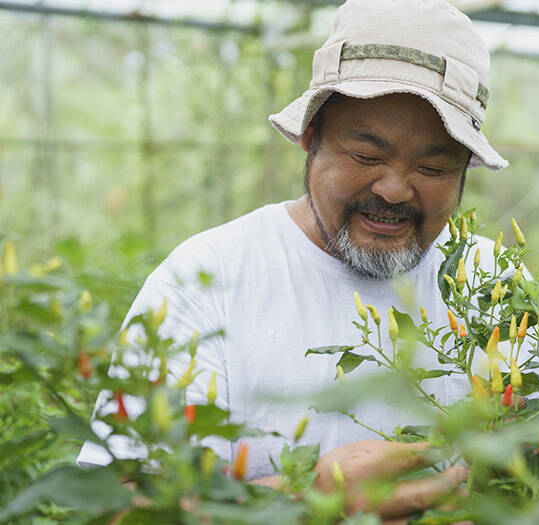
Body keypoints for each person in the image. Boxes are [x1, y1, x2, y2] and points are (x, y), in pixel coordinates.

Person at [79, 0, 513, 520]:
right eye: (367, 156)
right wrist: (305, 498)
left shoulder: (495, 284)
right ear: (312, 137)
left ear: (465, 171)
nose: (395, 189)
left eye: (433, 166)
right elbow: (116, 507)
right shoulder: (207, 279)